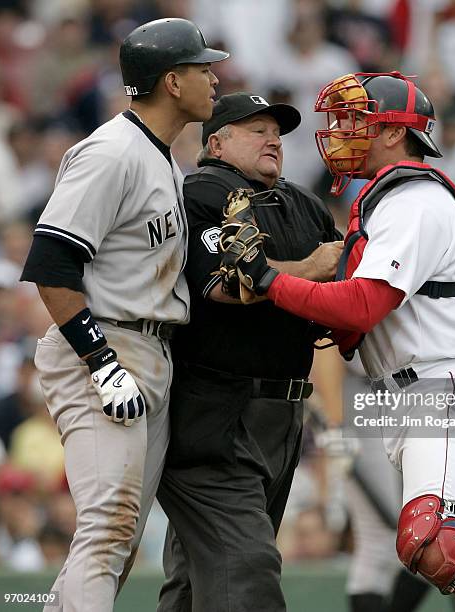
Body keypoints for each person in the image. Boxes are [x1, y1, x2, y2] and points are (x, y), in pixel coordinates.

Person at [218, 71, 455, 612]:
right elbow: (352, 326)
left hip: (439, 394)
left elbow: (364, 304)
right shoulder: (388, 199)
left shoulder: (413, 197)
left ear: (395, 132)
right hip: (415, 395)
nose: (341, 131)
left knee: (429, 540)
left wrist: (270, 280)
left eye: (356, 119)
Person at [19, 18, 228, 612]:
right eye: (201, 67)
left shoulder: (159, 155)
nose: (212, 76)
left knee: (119, 538)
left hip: (148, 347)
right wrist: (102, 364)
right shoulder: (111, 152)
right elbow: (51, 265)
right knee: (108, 530)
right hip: (103, 346)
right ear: (171, 80)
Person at [155, 92, 343, 612]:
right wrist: (312, 268)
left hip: (283, 413)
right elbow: (226, 283)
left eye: (277, 132)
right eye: (256, 129)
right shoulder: (201, 193)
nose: (273, 140)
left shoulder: (302, 202)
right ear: (216, 141)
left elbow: (345, 278)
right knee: (247, 571)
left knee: (198, 578)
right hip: (217, 410)